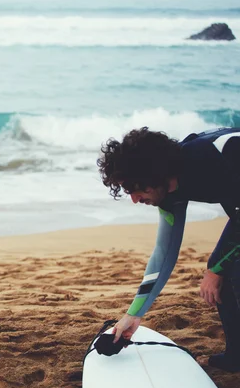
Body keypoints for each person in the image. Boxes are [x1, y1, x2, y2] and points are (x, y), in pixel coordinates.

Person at [97, 126, 240, 372]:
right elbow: (163, 254)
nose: (133, 198)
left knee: (226, 271)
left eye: (133, 187)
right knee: (226, 274)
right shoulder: (169, 193)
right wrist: (134, 314)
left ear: (151, 174)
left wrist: (214, 268)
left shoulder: (218, 156)